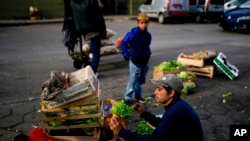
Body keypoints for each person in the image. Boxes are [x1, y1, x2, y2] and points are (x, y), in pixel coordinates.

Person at [109, 74, 204, 141]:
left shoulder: (175, 112)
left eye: (159, 89)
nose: (155, 92)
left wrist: (121, 131)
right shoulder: (177, 105)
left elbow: (154, 139)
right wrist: (144, 114)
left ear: (171, 93)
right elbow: (164, 125)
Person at [121, 13, 152, 104]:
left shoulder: (148, 35)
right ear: (138, 23)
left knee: (141, 80)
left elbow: (146, 46)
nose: (144, 25)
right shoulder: (133, 34)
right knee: (133, 80)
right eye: (142, 23)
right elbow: (124, 43)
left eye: (146, 23)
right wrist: (126, 54)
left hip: (145, 62)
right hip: (135, 62)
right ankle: (127, 98)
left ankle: (138, 96)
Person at [70, 0, 106, 73]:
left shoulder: (72, 2)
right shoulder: (92, 1)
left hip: (82, 29)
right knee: (96, 51)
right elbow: (99, 16)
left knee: (92, 48)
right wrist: (103, 31)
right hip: (94, 28)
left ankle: (90, 67)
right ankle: (92, 72)